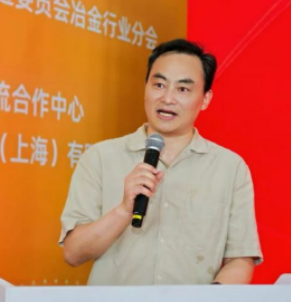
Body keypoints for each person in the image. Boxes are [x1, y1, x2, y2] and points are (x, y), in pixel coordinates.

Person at [60, 39, 263, 285]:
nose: (167, 98)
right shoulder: (101, 157)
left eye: (183, 89)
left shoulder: (230, 168)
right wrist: (123, 210)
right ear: (145, 88)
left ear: (205, 99)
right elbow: (73, 253)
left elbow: (240, 258)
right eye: (159, 85)